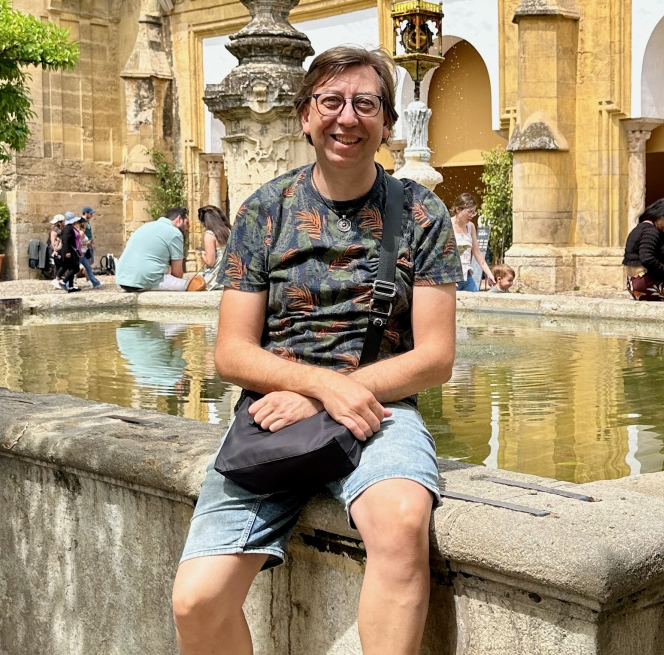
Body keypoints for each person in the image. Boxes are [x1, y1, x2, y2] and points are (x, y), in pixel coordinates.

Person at [171, 46, 461, 655]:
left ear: (386, 123)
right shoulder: (264, 211)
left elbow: (435, 357)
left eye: (365, 104)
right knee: (197, 600)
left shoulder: (420, 211)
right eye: (331, 101)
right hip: (276, 410)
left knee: (403, 520)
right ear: (305, 115)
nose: (347, 118)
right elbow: (231, 352)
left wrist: (336, 398)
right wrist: (322, 389)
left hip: (381, 410)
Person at [623, 197, 664, 301]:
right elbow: (647, 258)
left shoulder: (640, 228)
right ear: (662, 215)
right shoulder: (650, 231)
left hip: (633, 283)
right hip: (644, 283)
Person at [117, 207, 189, 292]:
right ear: (179, 219)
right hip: (145, 280)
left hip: (122, 280)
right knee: (187, 286)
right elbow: (177, 273)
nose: (187, 229)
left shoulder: (147, 226)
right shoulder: (175, 233)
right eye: (187, 223)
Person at [450, 193, 495, 292]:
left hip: (467, 276)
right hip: (452, 277)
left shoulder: (471, 227)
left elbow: (477, 253)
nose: (471, 215)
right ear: (458, 209)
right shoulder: (447, 225)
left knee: (475, 304)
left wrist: (489, 274)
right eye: (469, 212)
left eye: (474, 212)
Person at [197, 206, 232, 291]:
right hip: (230, 277)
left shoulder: (209, 235)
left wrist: (203, 255)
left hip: (215, 280)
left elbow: (210, 262)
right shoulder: (229, 230)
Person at [53, 212, 82, 293]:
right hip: (68, 252)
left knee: (70, 268)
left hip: (69, 251)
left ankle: (71, 286)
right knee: (75, 268)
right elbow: (65, 241)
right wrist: (67, 252)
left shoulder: (69, 228)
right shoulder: (67, 229)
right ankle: (64, 282)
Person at [78, 206, 101, 288]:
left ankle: (90, 280)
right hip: (85, 245)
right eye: (91, 213)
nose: (92, 215)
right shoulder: (82, 222)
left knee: (89, 262)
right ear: (86, 213)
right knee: (87, 263)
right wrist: (87, 243)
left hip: (88, 244)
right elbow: (82, 235)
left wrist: (92, 243)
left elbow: (89, 234)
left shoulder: (87, 222)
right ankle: (89, 280)